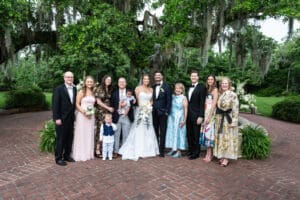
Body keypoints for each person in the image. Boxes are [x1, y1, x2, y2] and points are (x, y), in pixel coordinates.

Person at [119, 74, 159, 161]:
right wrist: (124, 104)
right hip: (140, 111)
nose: (146, 80)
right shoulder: (137, 88)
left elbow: (151, 100)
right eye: (145, 79)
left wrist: (148, 107)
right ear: (142, 79)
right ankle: (139, 149)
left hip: (148, 112)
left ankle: (148, 150)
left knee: (148, 128)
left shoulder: (151, 89)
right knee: (139, 128)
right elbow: (135, 100)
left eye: (148, 79)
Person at [52, 71, 77, 166]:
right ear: (64, 78)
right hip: (61, 118)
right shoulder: (59, 89)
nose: (70, 79)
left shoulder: (74, 88)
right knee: (61, 139)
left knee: (69, 138)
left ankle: (67, 155)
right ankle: (58, 158)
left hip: (71, 118)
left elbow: (73, 104)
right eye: (68, 77)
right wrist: (56, 118)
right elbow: (55, 104)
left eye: (71, 77)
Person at [213, 77, 239, 167]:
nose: (224, 85)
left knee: (228, 138)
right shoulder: (220, 94)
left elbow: (235, 109)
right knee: (221, 138)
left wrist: (234, 121)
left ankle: (226, 158)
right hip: (220, 119)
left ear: (229, 84)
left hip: (228, 119)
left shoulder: (233, 94)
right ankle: (222, 156)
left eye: (226, 83)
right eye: (222, 83)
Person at [72, 76, 95, 161]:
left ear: (93, 83)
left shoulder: (93, 92)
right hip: (82, 116)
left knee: (89, 133)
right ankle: (81, 154)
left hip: (91, 116)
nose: (89, 83)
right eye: (88, 82)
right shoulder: (81, 92)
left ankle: (88, 153)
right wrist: (84, 112)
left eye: (91, 82)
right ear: (85, 82)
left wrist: (91, 113)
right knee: (82, 133)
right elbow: (77, 104)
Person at [111, 77, 135, 155]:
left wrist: (128, 103)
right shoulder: (114, 93)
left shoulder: (130, 92)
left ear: (126, 83)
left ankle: (124, 151)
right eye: (120, 82)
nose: (122, 83)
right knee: (116, 134)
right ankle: (116, 151)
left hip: (127, 116)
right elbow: (112, 105)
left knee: (126, 134)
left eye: (123, 82)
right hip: (117, 116)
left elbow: (135, 102)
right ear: (118, 83)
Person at [186, 70, 206, 160]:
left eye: (195, 76)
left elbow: (202, 103)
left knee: (196, 134)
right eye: (192, 76)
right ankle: (190, 150)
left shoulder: (201, 87)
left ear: (198, 77)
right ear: (190, 77)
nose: (193, 77)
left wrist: (201, 116)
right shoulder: (188, 87)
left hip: (197, 115)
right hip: (188, 115)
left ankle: (196, 153)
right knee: (189, 134)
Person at [165, 83, 188, 158]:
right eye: (176, 88)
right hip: (172, 118)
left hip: (179, 118)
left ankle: (179, 151)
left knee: (179, 134)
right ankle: (173, 149)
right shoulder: (172, 97)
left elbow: (185, 109)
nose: (177, 90)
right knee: (172, 133)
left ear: (182, 90)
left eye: (179, 88)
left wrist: (184, 120)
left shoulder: (183, 98)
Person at [152, 71, 172, 157]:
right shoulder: (152, 87)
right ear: (154, 77)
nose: (157, 76)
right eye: (156, 75)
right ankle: (156, 149)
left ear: (162, 76)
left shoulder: (167, 86)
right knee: (155, 131)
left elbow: (169, 100)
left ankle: (161, 151)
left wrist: (167, 112)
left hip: (163, 113)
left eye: (159, 75)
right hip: (153, 112)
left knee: (163, 132)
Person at [94, 75, 114, 158]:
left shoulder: (110, 89)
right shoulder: (99, 88)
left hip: (108, 114)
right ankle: (97, 150)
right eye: (107, 79)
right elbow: (98, 102)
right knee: (100, 130)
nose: (108, 81)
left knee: (106, 130)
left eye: (110, 80)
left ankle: (103, 149)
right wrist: (108, 108)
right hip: (101, 112)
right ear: (104, 80)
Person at [200, 75, 218, 162]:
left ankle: (209, 154)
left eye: (212, 79)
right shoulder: (206, 89)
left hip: (211, 114)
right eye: (208, 79)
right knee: (206, 133)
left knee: (209, 134)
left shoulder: (215, 90)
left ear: (214, 81)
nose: (210, 80)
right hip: (205, 112)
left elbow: (214, 104)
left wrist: (209, 117)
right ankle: (207, 153)